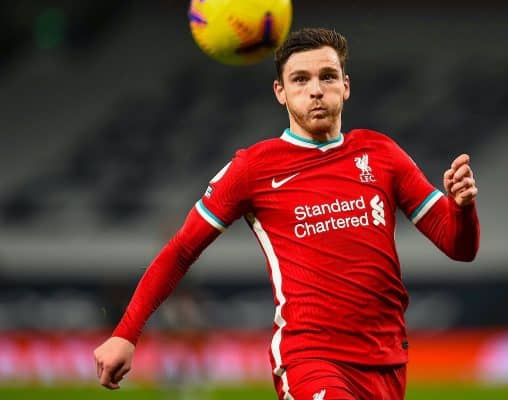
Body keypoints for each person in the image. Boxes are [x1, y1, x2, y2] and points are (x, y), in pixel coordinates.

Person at [93, 27, 480, 400]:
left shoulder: (381, 154)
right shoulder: (253, 168)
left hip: (387, 358)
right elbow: (181, 250)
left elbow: (458, 246)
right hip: (310, 357)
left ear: (346, 85)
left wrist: (462, 210)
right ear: (280, 92)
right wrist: (126, 333)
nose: (315, 90)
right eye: (300, 79)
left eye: (328, 77)